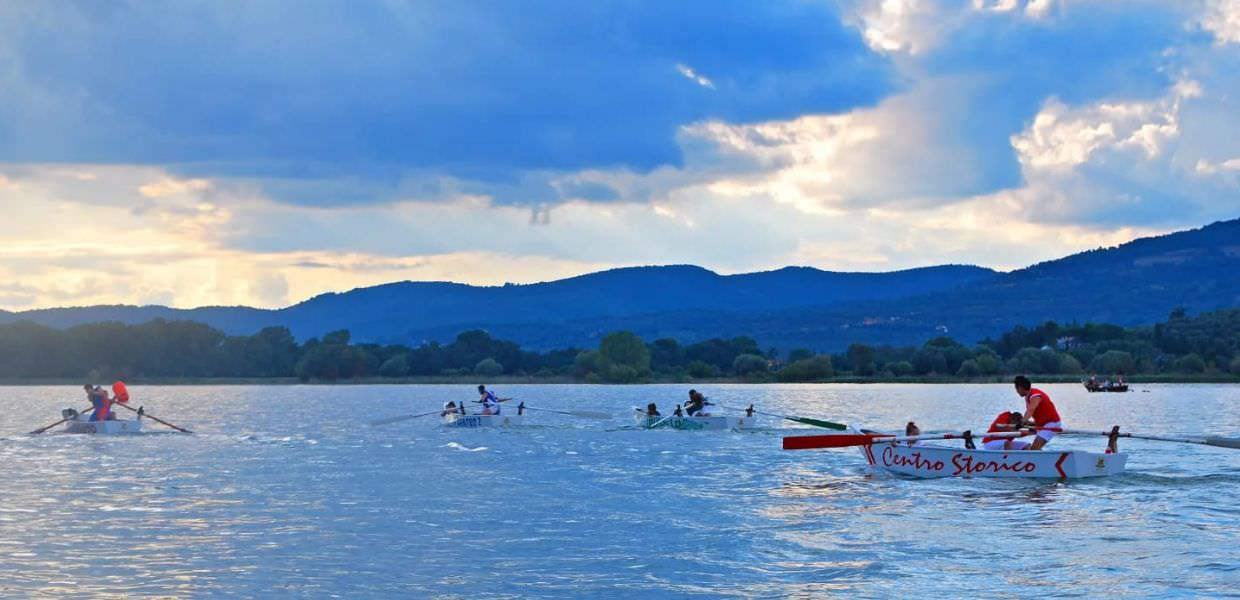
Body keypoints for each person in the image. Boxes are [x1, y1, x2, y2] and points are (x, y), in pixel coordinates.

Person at [1015, 375, 1062, 450]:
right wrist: (1030, 423)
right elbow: (1036, 413)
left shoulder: (1035, 395)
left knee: (1034, 448)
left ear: (1021, 387)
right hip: (1043, 425)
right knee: (1034, 448)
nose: (1016, 391)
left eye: (1016, 388)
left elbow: (1031, 409)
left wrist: (1022, 422)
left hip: (1052, 423)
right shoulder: (1028, 396)